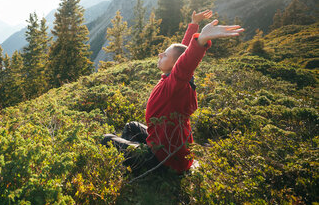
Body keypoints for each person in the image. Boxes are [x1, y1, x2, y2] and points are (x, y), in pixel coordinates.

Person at [102, 10, 244, 174]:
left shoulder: (175, 84)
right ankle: (133, 167)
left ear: (175, 64)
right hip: (166, 147)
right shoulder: (176, 81)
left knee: (106, 139)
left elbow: (185, 61)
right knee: (131, 126)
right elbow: (182, 52)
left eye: (165, 54)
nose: (160, 54)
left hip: (165, 159)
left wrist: (201, 41)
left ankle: (143, 172)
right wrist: (194, 26)